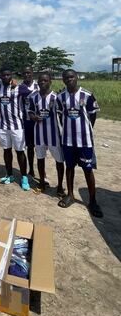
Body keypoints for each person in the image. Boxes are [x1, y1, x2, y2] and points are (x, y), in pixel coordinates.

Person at [56, 69, 103, 217]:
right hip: (68, 141)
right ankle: (70, 195)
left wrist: (86, 130)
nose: (69, 79)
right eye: (66, 77)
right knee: (69, 167)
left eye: (71, 77)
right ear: (63, 80)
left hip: (84, 141)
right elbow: (59, 114)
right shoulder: (61, 97)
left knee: (87, 169)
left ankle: (93, 201)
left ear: (76, 78)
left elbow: (92, 115)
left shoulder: (87, 95)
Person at [0, 67, 32, 190]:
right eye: (3, 75)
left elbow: (33, 95)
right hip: (2, 126)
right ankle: (9, 175)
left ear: (11, 75)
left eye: (8, 75)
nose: (6, 77)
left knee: (20, 151)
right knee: (6, 150)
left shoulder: (20, 87)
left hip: (17, 126)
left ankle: (24, 177)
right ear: (0, 76)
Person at [28, 72, 65, 196]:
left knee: (59, 161)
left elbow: (62, 113)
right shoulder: (33, 97)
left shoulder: (56, 97)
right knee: (40, 158)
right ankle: (42, 182)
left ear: (50, 82)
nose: (42, 82)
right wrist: (34, 117)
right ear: (37, 82)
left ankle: (60, 186)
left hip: (54, 135)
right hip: (39, 134)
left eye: (45, 80)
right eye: (40, 81)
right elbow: (30, 112)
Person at [20, 66, 39, 178]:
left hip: (39, 122)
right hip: (26, 121)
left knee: (40, 147)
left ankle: (43, 173)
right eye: (24, 73)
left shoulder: (39, 85)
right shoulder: (19, 87)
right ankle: (31, 169)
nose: (27, 75)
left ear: (32, 73)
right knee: (30, 147)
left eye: (29, 73)